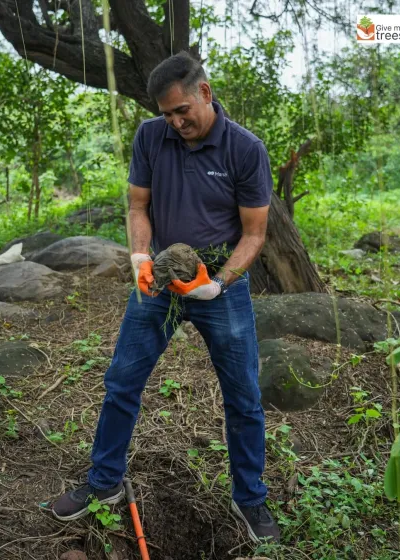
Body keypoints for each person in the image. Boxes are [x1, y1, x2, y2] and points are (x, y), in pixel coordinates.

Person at [52, 51, 280, 544]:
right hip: (158, 280)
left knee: (243, 398)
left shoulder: (245, 149)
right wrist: (139, 259)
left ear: (205, 92)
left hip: (219, 284)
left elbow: (255, 235)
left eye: (183, 111)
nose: (176, 123)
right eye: (167, 114)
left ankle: (250, 500)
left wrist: (216, 283)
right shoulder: (151, 137)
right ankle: (104, 483)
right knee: (121, 383)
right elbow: (138, 205)